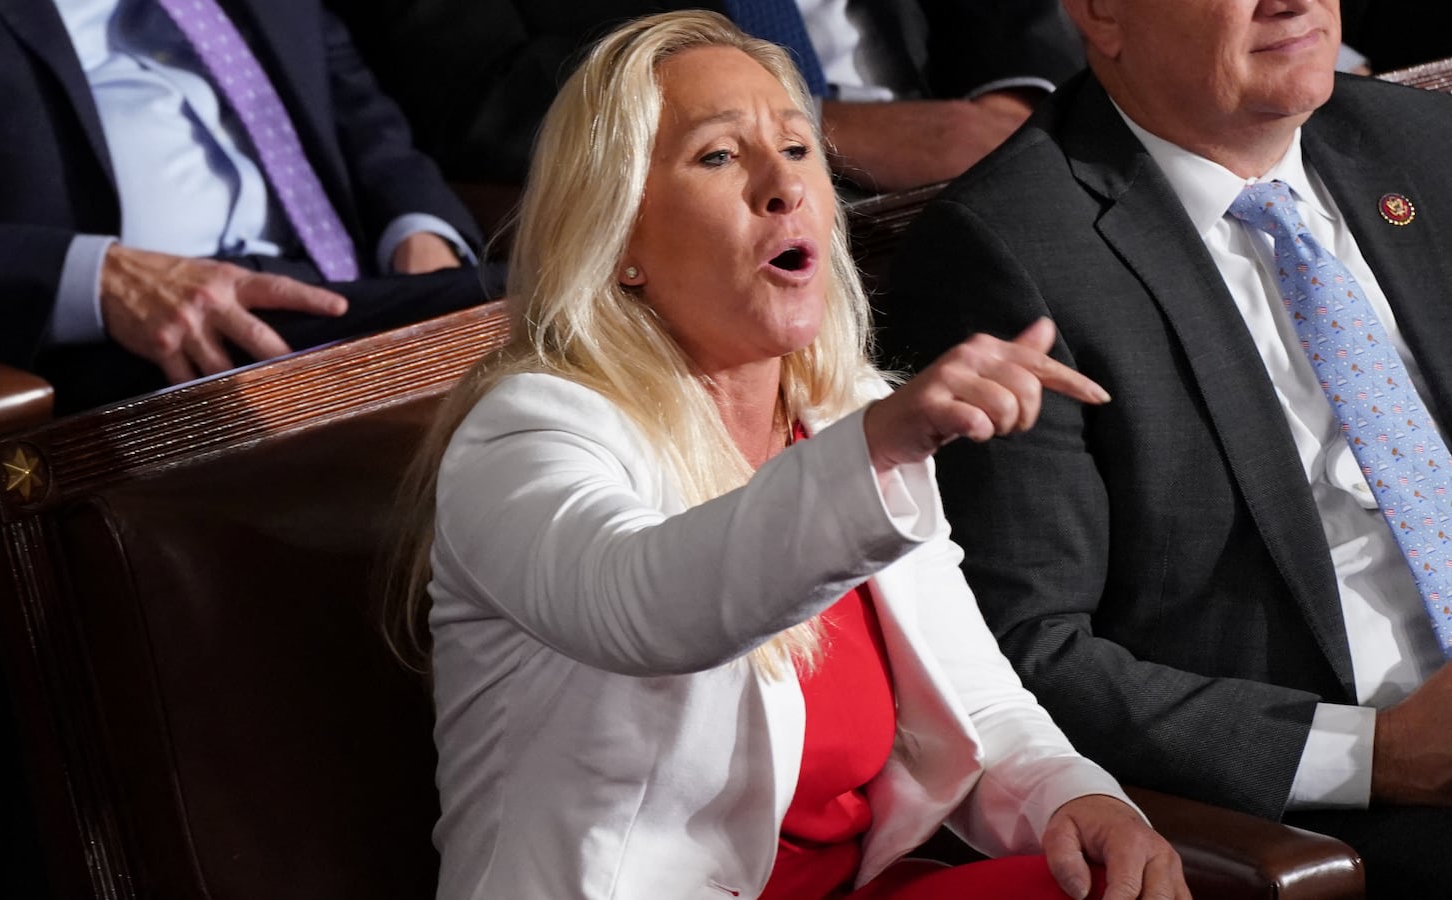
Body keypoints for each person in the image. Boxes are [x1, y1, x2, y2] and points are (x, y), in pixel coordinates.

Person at [390, 11, 1188, 899]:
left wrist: (1077, 798)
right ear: (619, 243)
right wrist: (879, 448)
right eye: (719, 156)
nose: (784, 187)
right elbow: (645, 608)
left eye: (800, 148)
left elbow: (984, 703)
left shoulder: (843, 412)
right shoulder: (528, 431)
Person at [876, 0, 1452, 895]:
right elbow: (1030, 646)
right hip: (1360, 819)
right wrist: (1376, 755)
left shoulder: (1425, 140)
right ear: (1104, 14)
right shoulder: (1012, 250)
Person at [0, 0, 500, 415]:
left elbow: (347, 97)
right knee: (555, 306)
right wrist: (94, 278)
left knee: (567, 293)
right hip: (128, 337)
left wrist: (421, 233)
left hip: (353, 289)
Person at [330, 0, 1084, 193]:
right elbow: (481, 97)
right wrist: (798, 131)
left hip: (989, 150)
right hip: (708, 204)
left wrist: (1013, 103)